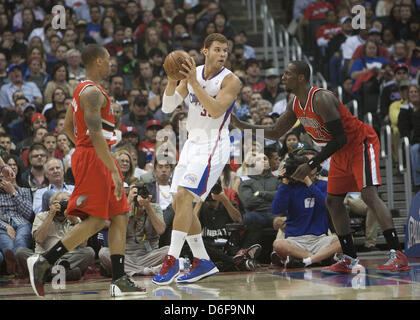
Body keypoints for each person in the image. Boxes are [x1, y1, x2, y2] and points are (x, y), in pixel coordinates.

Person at [231, 60, 410, 275]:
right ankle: (349, 258)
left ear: (301, 78)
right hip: (339, 150)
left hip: (359, 143)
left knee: (369, 195)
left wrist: (312, 164)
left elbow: (341, 138)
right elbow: (275, 132)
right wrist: (243, 126)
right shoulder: (295, 104)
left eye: (287, 73)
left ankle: (396, 254)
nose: (283, 77)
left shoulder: (322, 98)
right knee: (333, 201)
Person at [26, 44, 145, 297]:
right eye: (108, 59)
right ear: (99, 61)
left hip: (93, 154)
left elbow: (68, 126)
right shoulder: (92, 93)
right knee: (98, 219)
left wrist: (84, 147)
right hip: (95, 158)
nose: (111, 63)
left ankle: (119, 277)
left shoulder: (82, 87)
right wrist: (110, 167)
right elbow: (93, 132)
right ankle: (45, 260)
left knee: (120, 214)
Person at [152, 33, 241, 285]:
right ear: (205, 51)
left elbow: (214, 110)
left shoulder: (231, 81)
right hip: (192, 143)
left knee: (186, 196)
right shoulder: (194, 71)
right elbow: (168, 107)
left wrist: (194, 83)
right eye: (217, 49)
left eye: (225, 50)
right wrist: (172, 81)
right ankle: (202, 261)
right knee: (180, 202)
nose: (222, 54)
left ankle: (171, 260)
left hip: (213, 145)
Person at [271, 154, 342, 268]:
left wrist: (308, 182)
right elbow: (276, 209)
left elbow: (326, 205)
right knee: (278, 244)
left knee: (344, 241)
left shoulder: (324, 185)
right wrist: (284, 182)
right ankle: (317, 259)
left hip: (320, 239)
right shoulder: (289, 188)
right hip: (295, 240)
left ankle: (305, 260)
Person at [16, 191, 95, 280]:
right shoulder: (41, 216)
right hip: (45, 257)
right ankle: (64, 274)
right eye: (60, 203)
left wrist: (75, 222)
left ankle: (47, 274)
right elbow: (39, 239)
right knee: (20, 252)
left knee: (89, 252)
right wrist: (51, 215)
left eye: (66, 203)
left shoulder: (75, 218)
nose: (63, 206)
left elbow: (83, 245)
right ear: (52, 205)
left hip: (67, 258)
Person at [98, 184, 168, 277]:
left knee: (169, 250)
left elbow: (161, 230)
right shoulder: (122, 207)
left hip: (149, 255)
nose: (139, 197)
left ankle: (130, 270)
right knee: (103, 253)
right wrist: (128, 202)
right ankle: (143, 270)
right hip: (125, 255)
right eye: (135, 194)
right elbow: (117, 229)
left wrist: (148, 207)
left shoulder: (155, 207)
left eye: (142, 194)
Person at [0, 157, 33, 276]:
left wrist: (13, 192)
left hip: (22, 223)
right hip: (2, 225)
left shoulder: (24, 191)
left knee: (20, 241)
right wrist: (6, 227)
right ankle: (18, 267)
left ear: (13, 174)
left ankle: (15, 266)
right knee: (7, 244)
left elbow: (29, 214)